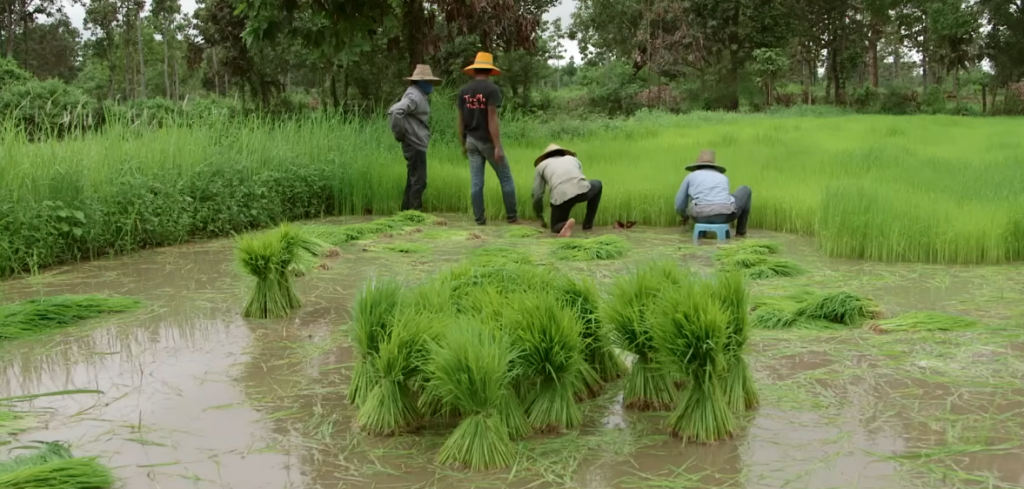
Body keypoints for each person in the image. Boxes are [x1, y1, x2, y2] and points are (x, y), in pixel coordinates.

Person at [457, 52, 519, 225]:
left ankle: (479, 220)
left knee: (476, 183)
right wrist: (497, 145)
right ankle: (512, 218)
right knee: (506, 178)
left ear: (475, 69)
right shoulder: (491, 90)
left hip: (470, 141)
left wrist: (463, 142)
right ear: (490, 71)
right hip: (487, 142)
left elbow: (460, 120)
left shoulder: (464, 91)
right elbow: (492, 118)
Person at [387, 64, 442, 212]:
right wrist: (400, 134)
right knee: (419, 181)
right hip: (415, 143)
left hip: (416, 142)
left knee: (413, 180)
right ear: (420, 82)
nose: (431, 85)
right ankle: (415, 213)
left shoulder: (417, 94)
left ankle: (406, 213)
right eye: (429, 82)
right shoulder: (414, 96)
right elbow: (395, 111)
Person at [674, 150, 752, 236]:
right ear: (714, 165)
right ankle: (740, 233)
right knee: (745, 190)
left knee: (696, 199)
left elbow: (679, 205)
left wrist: (685, 216)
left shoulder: (690, 176)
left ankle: (701, 235)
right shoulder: (723, 177)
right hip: (724, 216)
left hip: (699, 217)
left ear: (697, 165)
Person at [532, 144, 603, 238]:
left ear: (545, 157)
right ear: (562, 152)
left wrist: (540, 216)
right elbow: (579, 178)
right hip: (582, 190)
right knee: (598, 184)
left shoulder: (540, 166)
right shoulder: (573, 159)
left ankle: (564, 225)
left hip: (560, 197)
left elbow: (537, 195)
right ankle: (587, 225)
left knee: (555, 227)